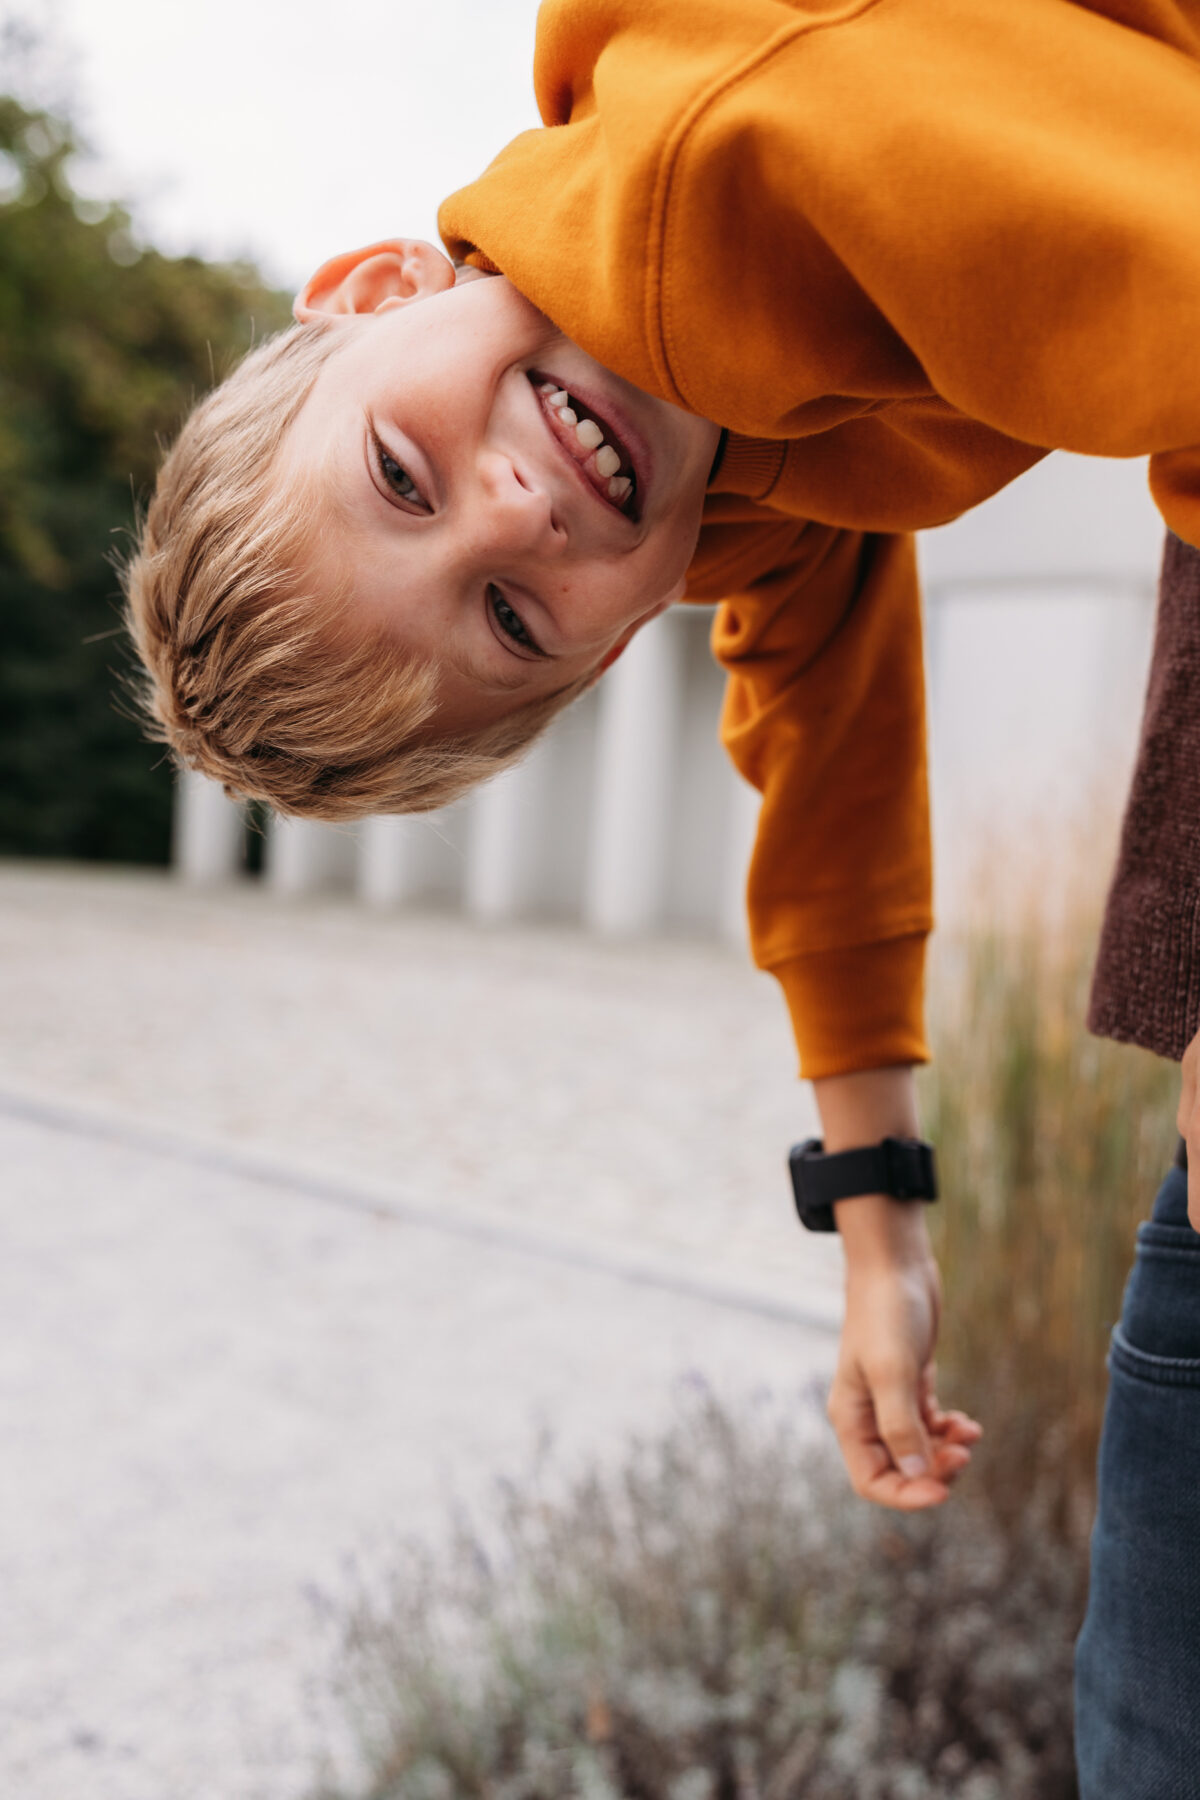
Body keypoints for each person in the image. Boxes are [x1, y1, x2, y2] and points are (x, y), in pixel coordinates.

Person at [122, 1, 1200, 1787]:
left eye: (400, 473)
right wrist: (881, 1230)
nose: (514, 512)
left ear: (374, 287)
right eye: (511, 620)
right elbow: (824, 715)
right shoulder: (711, 442)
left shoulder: (727, 177)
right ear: (614, 647)